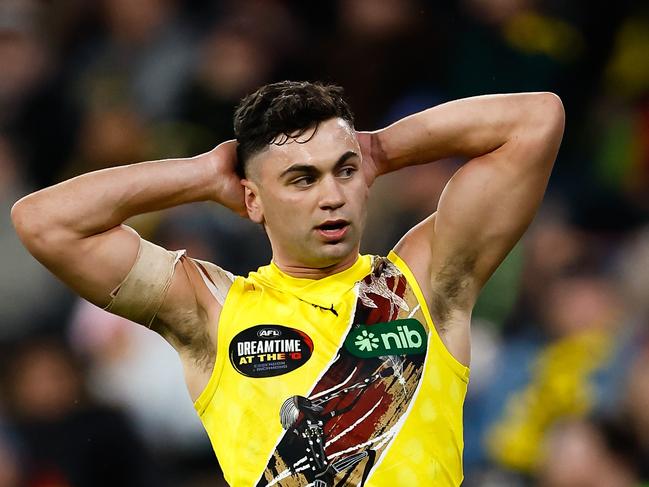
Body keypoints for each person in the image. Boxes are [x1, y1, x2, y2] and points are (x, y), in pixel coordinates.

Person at [11, 81, 564, 486]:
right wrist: (205, 175)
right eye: (302, 179)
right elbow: (44, 221)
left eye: (343, 172)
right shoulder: (213, 311)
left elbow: (537, 119)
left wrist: (381, 149)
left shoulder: (422, 284)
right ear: (253, 199)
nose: (332, 196)